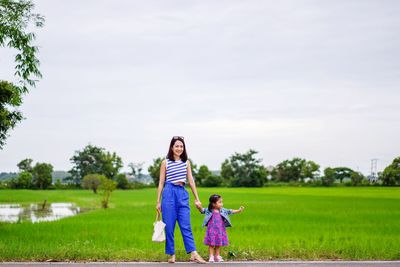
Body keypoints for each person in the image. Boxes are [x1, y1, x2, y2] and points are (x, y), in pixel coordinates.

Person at [156, 136, 206, 264]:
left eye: (181, 146)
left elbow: (191, 180)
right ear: (172, 147)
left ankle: (193, 253)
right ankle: (171, 254)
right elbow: (161, 182)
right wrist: (158, 202)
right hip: (168, 193)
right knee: (169, 226)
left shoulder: (186, 162)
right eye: (177, 146)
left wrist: (197, 198)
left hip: (182, 193)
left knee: (186, 225)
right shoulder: (165, 162)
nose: (179, 148)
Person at [196, 194, 244, 262]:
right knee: (211, 244)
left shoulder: (223, 210)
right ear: (213, 204)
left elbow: (230, 211)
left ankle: (217, 256)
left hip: (220, 230)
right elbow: (202, 210)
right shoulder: (209, 210)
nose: (222, 204)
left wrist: (238, 210)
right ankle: (211, 256)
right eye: (220, 202)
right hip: (211, 230)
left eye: (222, 202)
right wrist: (199, 207)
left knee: (218, 244)